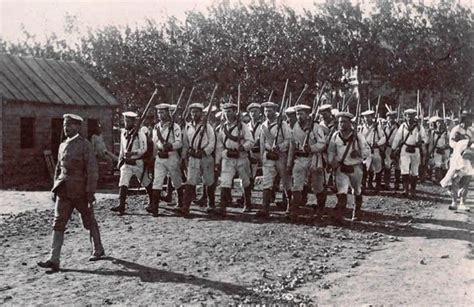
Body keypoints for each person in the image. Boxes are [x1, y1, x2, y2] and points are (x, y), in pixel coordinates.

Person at [38, 114, 104, 273]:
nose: (66, 128)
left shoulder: (85, 145)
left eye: (69, 125)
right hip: (63, 189)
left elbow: (92, 169)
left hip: (80, 190)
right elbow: (58, 169)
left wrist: (90, 191)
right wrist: (54, 187)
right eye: (64, 124)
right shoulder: (62, 145)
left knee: (89, 220)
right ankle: (54, 259)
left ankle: (98, 249)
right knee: (58, 222)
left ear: (78, 127)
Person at [328, 111, 371, 221]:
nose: (342, 124)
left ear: (349, 123)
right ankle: (340, 216)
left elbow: (366, 150)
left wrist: (359, 154)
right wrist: (331, 162)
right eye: (340, 122)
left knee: (357, 190)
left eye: (345, 122)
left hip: (355, 167)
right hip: (341, 168)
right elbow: (331, 151)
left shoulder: (357, 136)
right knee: (342, 191)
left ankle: (356, 212)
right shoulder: (335, 136)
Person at [214, 102, 254, 217]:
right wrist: (217, 161)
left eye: (229, 111)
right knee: (225, 180)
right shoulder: (223, 127)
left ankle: (247, 203)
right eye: (225, 112)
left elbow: (250, 141)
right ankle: (222, 206)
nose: (227, 114)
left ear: (234, 112)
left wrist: (243, 147)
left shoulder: (243, 126)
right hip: (228, 156)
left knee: (245, 180)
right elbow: (219, 146)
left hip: (241, 156)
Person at [287, 104, 326, 218]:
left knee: (317, 185)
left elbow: (322, 144)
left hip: (313, 158)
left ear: (308, 115)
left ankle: (320, 208)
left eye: (302, 113)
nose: (299, 116)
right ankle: (295, 209)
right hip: (300, 159)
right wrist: (289, 164)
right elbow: (292, 146)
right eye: (297, 114)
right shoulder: (295, 127)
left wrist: (312, 147)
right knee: (297, 184)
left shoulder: (316, 127)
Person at [111, 112, 153, 215]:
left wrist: (134, 153)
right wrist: (120, 159)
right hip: (127, 163)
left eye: (129, 121)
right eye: (125, 120)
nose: (126, 123)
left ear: (133, 122)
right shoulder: (123, 133)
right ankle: (121, 205)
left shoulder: (139, 133)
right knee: (123, 181)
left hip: (137, 162)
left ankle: (152, 201)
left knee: (145, 182)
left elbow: (144, 148)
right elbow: (122, 148)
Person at [256, 101, 292, 218]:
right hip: (268, 155)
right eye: (266, 110)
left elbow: (288, 140)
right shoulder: (263, 125)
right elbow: (262, 142)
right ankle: (265, 208)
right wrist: (262, 156)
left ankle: (289, 207)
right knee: (267, 181)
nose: (267, 113)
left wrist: (280, 147)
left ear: (275, 111)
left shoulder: (283, 125)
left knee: (285, 180)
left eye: (270, 110)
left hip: (280, 155)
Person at [148, 104, 184, 217]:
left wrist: (171, 146)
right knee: (157, 181)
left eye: (162, 112)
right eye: (159, 112)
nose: (160, 115)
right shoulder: (156, 127)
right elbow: (154, 143)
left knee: (176, 180)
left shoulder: (175, 126)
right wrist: (153, 157)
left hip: (171, 156)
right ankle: (155, 207)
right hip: (160, 156)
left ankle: (181, 203)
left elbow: (179, 142)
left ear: (168, 113)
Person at [180, 103, 216, 216]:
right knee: (190, 180)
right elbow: (185, 143)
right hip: (193, 157)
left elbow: (212, 142)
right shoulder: (188, 127)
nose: (194, 114)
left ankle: (211, 204)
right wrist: (184, 156)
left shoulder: (208, 126)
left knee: (209, 180)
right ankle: (186, 206)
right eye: (192, 112)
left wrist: (205, 151)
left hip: (205, 156)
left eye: (196, 111)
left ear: (201, 113)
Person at [391, 109, 428, 198]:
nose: (409, 118)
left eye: (411, 116)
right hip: (405, 149)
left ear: (414, 116)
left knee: (415, 171)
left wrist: (421, 142)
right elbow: (397, 138)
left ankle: (413, 190)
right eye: (408, 116)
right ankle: (405, 189)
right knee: (404, 169)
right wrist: (393, 149)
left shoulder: (419, 127)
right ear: (405, 117)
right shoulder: (403, 126)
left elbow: (425, 139)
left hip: (415, 150)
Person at [445, 111, 473, 211]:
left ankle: (462, 202)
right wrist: (462, 144)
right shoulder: (456, 129)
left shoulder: (471, 131)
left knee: (466, 180)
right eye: (469, 119)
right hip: (457, 157)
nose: (471, 121)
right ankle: (454, 201)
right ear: (464, 119)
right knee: (455, 179)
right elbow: (451, 143)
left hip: (468, 158)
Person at [360, 110, 386, 192]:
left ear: (372, 117)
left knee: (377, 167)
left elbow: (383, 138)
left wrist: (377, 143)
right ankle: (367, 184)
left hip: (375, 150)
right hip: (365, 150)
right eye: (365, 117)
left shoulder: (377, 128)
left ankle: (378, 185)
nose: (367, 119)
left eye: (368, 117)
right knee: (366, 168)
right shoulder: (361, 128)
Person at [428, 116, 450, 183]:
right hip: (437, 150)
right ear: (436, 124)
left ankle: (444, 180)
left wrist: (446, 147)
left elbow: (450, 142)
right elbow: (432, 143)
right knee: (437, 165)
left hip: (445, 150)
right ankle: (438, 179)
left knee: (445, 165)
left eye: (440, 123)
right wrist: (429, 152)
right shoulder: (433, 133)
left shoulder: (447, 132)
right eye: (438, 123)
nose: (439, 124)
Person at [382, 111, 400, 190]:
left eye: (392, 117)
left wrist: (398, 148)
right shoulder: (384, 127)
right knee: (387, 166)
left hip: (397, 148)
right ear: (387, 118)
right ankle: (387, 183)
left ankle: (397, 184)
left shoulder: (399, 127)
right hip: (388, 148)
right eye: (389, 117)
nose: (390, 119)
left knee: (397, 166)